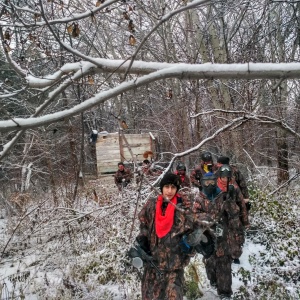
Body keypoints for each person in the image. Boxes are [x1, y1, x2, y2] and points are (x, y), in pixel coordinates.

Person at [134, 173, 209, 300]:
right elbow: (144, 226)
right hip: (153, 265)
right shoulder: (151, 205)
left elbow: (193, 233)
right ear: (161, 187)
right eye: (166, 187)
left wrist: (190, 247)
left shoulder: (183, 209)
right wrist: (142, 242)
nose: (169, 191)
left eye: (173, 187)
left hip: (174, 267)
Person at [193, 169, 248, 299]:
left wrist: (238, 233)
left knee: (224, 264)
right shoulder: (200, 198)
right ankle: (213, 280)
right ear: (202, 183)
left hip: (224, 235)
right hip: (207, 236)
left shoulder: (223, 196)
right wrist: (207, 217)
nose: (209, 185)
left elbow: (234, 214)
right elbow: (194, 215)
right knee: (210, 262)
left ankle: (225, 292)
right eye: (206, 183)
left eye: (212, 182)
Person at [216, 164, 249, 265]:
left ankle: (235, 256)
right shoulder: (214, 187)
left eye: (227, 177)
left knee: (236, 238)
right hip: (220, 218)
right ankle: (223, 256)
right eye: (223, 177)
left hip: (234, 218)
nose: (225, 179)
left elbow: (242, 205)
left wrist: (245, 221)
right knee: (220, 238)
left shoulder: (234, 188)